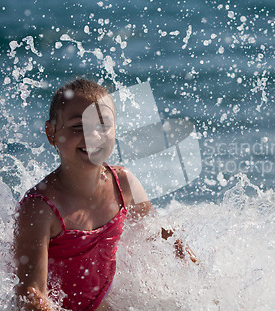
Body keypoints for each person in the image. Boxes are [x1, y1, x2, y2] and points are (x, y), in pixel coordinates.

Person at [14, 78, 197, 311]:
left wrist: (190, 263)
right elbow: (31, 296)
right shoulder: (40, 209)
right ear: (51, 133)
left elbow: (157, 231)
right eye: (78, 126)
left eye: (103, 125)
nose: (92, 136)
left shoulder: (123, 185)